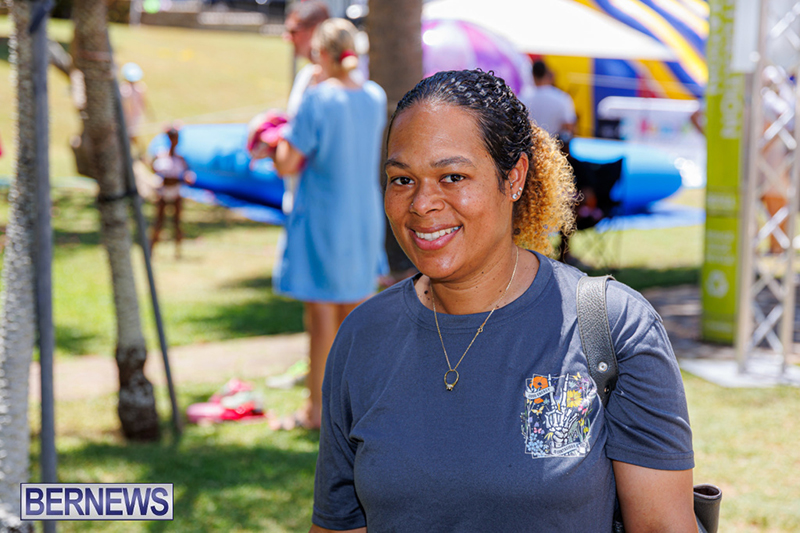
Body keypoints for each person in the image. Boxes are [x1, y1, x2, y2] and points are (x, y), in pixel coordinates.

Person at [310, 70, 695, 532]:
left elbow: (661, 525)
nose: (422, 203)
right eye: (402, 179)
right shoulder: (364, 336)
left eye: (453, 176)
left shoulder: (612, 328)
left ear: (513, 178)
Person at [271, 18, 388, 431]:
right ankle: (355, 410)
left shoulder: (318, 99)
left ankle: (316, 412)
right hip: (364, 215)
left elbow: (287, 161)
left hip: (325, 215)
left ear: (321, 54)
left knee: (321, 318)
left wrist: (270, 140)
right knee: (356, 320)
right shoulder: (374, 96)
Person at [150, 127, 195, 259]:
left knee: (176, 222)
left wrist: (187, 178)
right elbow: (154, 169)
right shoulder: (161, 154)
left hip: (176, 190)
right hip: (164, 191)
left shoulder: (181, 158)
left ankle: (178, 252)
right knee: (159, 222)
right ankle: (151, 250)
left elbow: (187, 173)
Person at [528, 59, 577, 142]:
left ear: (533, 75)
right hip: (553, 145)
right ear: (547, 74)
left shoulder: (523, 97)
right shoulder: (562, 97)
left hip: (530, 144)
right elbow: (569, 127)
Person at [119, 62, 150, 158]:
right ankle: (139, 152)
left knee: (132, 135)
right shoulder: (124, 89)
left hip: (134, 117)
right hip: (126, 117)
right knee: (129, 136)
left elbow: (143, 102)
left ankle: (140, 152)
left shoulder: (139, 88)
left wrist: (147, 113)